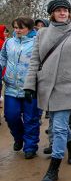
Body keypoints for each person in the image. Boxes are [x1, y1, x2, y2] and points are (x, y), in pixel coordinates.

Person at [24, 0, 71, 181]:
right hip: (46, 87)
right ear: (51, 13)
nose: (63, 13)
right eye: (58, 10)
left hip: (67, 87)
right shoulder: (41, 34)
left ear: (69, 13)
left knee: (58, 127)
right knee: (58, 123)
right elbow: (35, 61)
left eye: (65, 10)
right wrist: (29, 85)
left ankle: (53, 168)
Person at [0, 17, 41, 159]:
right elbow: (2, 59)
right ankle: (18, 138)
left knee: (31, 118)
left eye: (20, 28)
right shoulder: (9, 42)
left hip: (31, 88)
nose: (17, 30)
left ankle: (30, 146)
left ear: (29, 28)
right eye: (15, 27)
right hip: (11, 87)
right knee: (11, 116)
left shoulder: (37, 42)